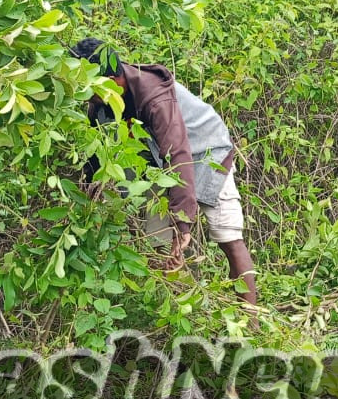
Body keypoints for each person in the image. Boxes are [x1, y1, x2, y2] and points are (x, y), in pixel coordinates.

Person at [72, 38, 258, 305]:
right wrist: (88, 203)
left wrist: (183, 223)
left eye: (92, 88)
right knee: (158, 244)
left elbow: (178, 154)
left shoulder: (154, 96)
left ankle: (250, 323)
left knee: (227, 236)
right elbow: (94, 160)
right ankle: (176, 311)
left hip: (206, 152)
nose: (88, 95)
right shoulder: (101, 102)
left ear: (114, 79)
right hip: (158, 164)